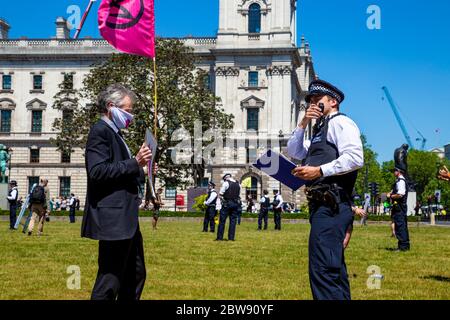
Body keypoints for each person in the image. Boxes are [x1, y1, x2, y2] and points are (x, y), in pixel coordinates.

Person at [288, 79, 364, 300]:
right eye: (310, 100)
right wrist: (303, 123)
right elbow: (294, 151)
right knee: (333, 268)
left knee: (323, 269)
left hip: (332, 205)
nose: (312, 103)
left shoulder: (341, 123)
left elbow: (355, 158)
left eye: (317, 100)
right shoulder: (319, 130)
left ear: (332, 101)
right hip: (322, 205)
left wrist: (318, 171)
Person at [81, 83, 152, 300]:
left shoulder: (116, 133)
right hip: (113, 219)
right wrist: (135, 162)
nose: (131, 116)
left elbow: (121, 170)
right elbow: (97, 171)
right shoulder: (100, 131)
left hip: (125, 218)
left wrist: (142, 169)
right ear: (112, 107)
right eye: (128, 110)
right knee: (109, 280)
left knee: (135, 274)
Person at [387, 168, 410, 251]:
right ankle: (404, 245)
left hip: (400, 206)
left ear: (399, 172)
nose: (393, 172)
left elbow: (400, 194)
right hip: (400, 206)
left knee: (400, 226)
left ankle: (403, 247)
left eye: (395, 171)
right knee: (401, 225)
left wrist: (391, 196)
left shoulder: (401, 181)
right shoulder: (399, 181)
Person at [216, 173, 241, 241]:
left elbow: (220, 194)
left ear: (226, 178)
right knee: (233, 221)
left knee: (222, 221)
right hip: (235, 204)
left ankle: (219, 237)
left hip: (227, 204)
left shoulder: (226, 183)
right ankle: (231, 238)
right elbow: (238, 195)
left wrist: (222, 201)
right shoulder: (238, 184)